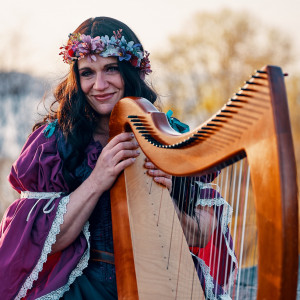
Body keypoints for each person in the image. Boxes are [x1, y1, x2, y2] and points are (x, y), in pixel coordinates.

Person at [0, 16, 236, 299]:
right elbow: (47, 242)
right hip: (87, 287)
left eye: (110, 69)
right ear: (76, 79)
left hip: (166, 279)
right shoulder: (54, 143)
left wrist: (169, 194)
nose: (99, 84)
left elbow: (201, 235)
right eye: (87, 72)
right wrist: (98, 178)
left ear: (130, 72)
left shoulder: (168, 137)